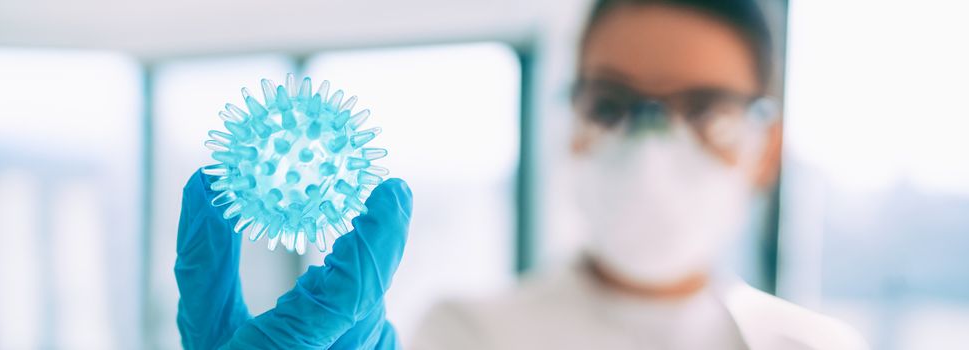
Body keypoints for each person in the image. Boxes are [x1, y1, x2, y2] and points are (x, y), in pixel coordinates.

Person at [174, 0, 866, 349]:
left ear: (766, 147)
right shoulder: (466, 333)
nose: (653, 147)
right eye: (615, 104)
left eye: (703, 110)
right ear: (573, 122)